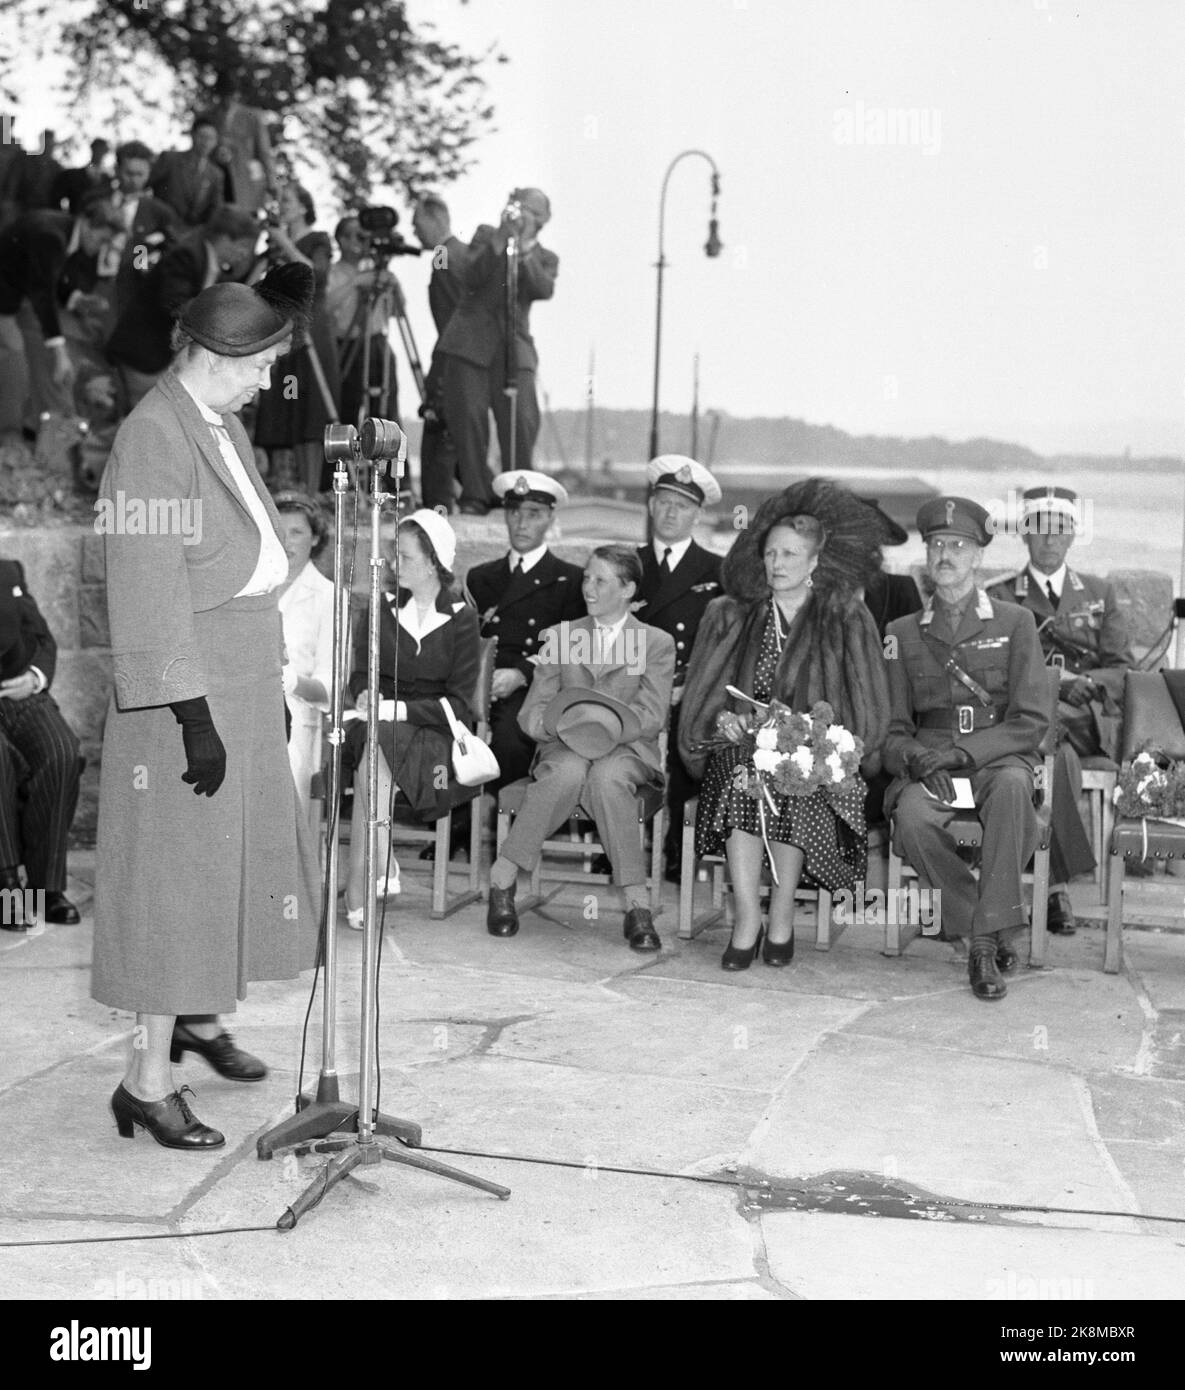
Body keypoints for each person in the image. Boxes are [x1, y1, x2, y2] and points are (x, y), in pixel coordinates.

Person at [92, 262, 319, 1150]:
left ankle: (181, 1030)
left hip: (240, 685)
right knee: (170, 890)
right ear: (220, 355)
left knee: (211, 887)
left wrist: (264, 688)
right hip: (188, 696)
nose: (270, 380)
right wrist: (190, 716)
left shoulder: (218, 427)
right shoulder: (153, 438)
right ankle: (146, 1083)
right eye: (262, 363)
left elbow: (250, 564)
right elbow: (142, 590)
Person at [679, 480, 891, 970]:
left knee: (793, 774)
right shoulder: (732, 614)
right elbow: (705, 701)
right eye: (771, 553)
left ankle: (782, 911)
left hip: (819, 756)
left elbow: (866, 711)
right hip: (743, 750)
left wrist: (820, 738)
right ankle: (748, 916)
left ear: (816, 561)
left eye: (790, 554)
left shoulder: (846, 618)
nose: (777, 563)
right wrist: (725, 721)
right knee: (740, 771)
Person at [883, 497, 1049, 1003]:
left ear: (979, 557)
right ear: (926, 556)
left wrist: (963, 754)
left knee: (1014, 789)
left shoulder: (1016, 622)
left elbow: (1032, 720)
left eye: (958, 545)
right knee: (911, 816)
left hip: (995, 757)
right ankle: (985, 923)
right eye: (936, 544)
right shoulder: (898, 634)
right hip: (930, 762)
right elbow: (889, 730)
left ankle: (977, 943)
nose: (945, 554)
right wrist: (912, 758)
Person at [487, 544, 675, 951]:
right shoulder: (562, 636)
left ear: (627, 590)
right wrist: (554, 729)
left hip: (626, 752)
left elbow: (653, 713)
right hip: (565, 746)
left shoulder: (655, 643)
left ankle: (636, 905)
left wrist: (605, 733)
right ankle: (503, 879)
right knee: (569, 771)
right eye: (586, 577)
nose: (588, 587)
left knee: (608, 779)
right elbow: (533, 711)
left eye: (600, 580)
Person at [986, 485, 1134, 934]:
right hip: (1034, 722)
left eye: (1060, 530)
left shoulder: (1099, 593)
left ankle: (1044, 884)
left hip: (1085, 718)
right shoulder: (1000, 596)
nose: (1049, 540)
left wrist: (1083, 684)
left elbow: (1123, 671)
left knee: (1054, 731)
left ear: (1073, 536)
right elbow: (993, 670)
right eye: (1039, 530)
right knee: (1058, 754)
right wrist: (1055, 684)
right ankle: (1055, 890)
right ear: (1024, 536)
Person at [341, 510, 481, 926]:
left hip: (434, 733)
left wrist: (394, 709)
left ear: (436, 561)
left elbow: (459, 704)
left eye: (406, 558)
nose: (395, 566)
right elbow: (358, 676)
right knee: (372, 749)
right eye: (394, 556)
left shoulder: (461, 619)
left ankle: (364, 877)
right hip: (377, 726)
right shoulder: (381, 608)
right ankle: (378, 865)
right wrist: (365, 694)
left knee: (373, 755)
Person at [436, 187, 558, 514]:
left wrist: (523, 250)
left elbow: (541, 287)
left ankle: (518, 493)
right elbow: (471, 274)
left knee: (521, 421)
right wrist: (503, 236)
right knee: (469, 419)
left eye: (529, 210)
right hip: (470, 345)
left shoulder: (545, 257)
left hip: (514, 350)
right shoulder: (485, 237)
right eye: (515, 205)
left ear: (542, 219)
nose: (519, 213)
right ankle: (475, 494)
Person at [464, 471, 587, 789]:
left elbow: (569, 648)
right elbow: (467, 637)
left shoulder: (570, 580)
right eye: (514, 513)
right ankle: (459, 828)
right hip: (479, 683)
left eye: (533, 514)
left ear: (549, 518)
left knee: (512, 740)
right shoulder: (480, 577)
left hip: (533, 688)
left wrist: (521, 673)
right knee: (448, 733)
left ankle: (504, 822)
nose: (521, 523)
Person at [632, 456, 724, 882]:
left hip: (691, 691)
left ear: (698, 515)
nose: (671, 513)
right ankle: (620, 844)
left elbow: (723, 645)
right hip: (631, 687)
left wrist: (690, 687)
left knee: (693, 745)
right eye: (664, 502)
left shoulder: (718, 572)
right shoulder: (626, 565)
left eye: (682, 506)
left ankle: (676, 851)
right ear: (651, 506)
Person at [106, 204, 260, 409]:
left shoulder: (208, 259)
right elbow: (176, 304)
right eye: (243, 247)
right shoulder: (187, 255)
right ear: (224, 238)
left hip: (161, 359)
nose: (243, 255)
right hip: (145, 358)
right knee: (141, 423)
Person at [0, 556, 82, 931]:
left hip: (21, 695)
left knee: (61, 750)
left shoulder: (9, 570)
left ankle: (45, 887)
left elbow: (42, 639)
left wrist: (35, 678)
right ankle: (6, 887)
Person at [0, 192, 122, 437]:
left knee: (44, 355)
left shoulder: (65, 230)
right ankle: (9, 434)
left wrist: (77, 299)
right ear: (89, 225)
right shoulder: (51, 236)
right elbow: (42, 292)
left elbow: (49, 280)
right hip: (7, 299)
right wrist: (60, 351)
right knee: (16, 359)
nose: (102, 248)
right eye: (102, 240)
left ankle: (37, 422)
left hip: (21, 296)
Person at [251, 182, 342, 493]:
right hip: (282, 330)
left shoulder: (317, 240)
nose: (283, 205)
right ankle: (282, 487)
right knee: (280, 408)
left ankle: (313, 487)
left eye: (288, 200)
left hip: (312, 330)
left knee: (311, 410)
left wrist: (283, 242)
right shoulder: (276, 245)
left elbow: (315, 274)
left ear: (304, 206)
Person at [275, 492, 334, 832]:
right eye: (278, 531)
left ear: (315, 537)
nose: (286, 542)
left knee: (286, 768)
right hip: (246, 708)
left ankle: (285, 880)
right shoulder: (253, 588)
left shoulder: (327, 597)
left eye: (296, 532)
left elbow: (330, 688)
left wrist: (291, 681)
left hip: (299, 720)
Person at [412, 193, 470, 511]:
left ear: (435, 218)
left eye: (417, 222)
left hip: (451, 366)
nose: (414, 231)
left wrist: (438, 385)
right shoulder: (461, 254)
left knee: (438, 459)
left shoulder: (443, 257)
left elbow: (451, 325)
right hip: (462, 366)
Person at [325, 214, 400, 430]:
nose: (361, 241)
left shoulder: (376, 271)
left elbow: (396, 311)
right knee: (346, 412)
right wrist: (357, 281)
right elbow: (327, 305)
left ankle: (390, 460)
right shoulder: (334, 272)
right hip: (348, 347)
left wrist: (390, 283)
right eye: (356, 236)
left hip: (376, 343)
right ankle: (345, 462)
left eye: (364, 236)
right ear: (341, 240)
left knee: (386, 412)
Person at [105, 141, 181, 320]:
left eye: (140, 174)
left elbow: (170, 251)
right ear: (117, 170)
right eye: (129, 173)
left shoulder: (160, 212)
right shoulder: (96, 198)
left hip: (130, 290)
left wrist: (145, 263)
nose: (134, 180)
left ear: (149, 174)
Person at [149, 116, 225, 229]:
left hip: (191, 236)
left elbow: (215, 208)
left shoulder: (216, 174)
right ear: (193, 136)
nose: (206, 142)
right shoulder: (170, 159)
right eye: (202, 137)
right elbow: (145, 185)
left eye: (211, 138)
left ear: (216, 142)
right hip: (160, 228)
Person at [51, 138, 112, 216]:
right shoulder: (75, 176)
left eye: (103, 150)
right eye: (98, 149)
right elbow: (56, 199)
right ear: (92, 149)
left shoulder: (107, 179)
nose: (100, 153)